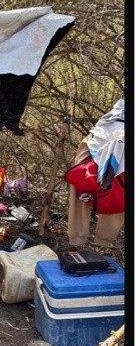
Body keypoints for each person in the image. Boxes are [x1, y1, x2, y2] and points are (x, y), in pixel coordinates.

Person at [66, 99, 125, 247]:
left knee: (117, 194)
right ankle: (89, 239)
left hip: (100, 139)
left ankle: (90, 239)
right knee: (84, 185)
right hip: (98, 140)